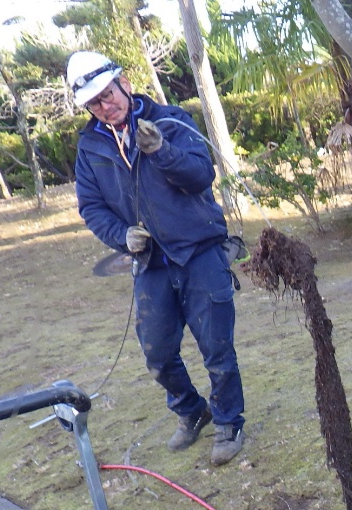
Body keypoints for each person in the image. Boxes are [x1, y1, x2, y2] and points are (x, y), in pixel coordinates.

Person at [67, 51, 245, 466]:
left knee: (217, 348)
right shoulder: (91, 147)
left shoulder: (171, 120)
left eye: (108, 95)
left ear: (124, 84)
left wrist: (162, 150)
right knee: (158, 354)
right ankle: (190, 410)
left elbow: (202, 176)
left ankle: (228, 422)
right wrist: (120, 235)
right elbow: (91, 206)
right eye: (94, 103)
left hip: (199, 251)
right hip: (150, 264)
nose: (104, 106)